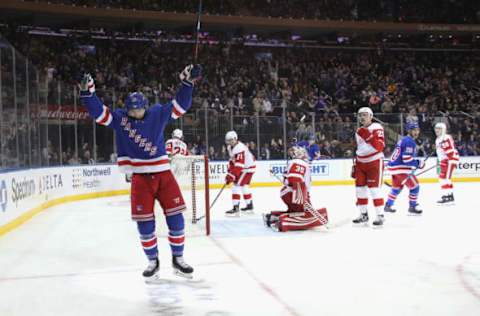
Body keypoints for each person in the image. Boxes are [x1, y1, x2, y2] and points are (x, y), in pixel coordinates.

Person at [79, 64, 202, 279]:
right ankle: (152, 261)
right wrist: (87, 93)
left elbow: (181, 105)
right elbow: (98, 114)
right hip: (140, 179)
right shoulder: (120, 119)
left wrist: (188, 83)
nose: (135, 113)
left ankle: (178, 259)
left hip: (164, 174)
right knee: (145, 224)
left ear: (146, 106)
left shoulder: (157, 113)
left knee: (176, 219)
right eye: (131, 110)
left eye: (139, 109)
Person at [263, 146, 328, 232]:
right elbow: (295, 178)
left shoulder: (296, 162)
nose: (305, 154)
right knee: (305, 214)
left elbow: (291, 180)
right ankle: (283, 222)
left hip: (291, 192)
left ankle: (273, 218)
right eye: (302, 152)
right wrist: (300, 196)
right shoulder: (299, 162)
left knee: (297, 213)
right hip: (295, 193)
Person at [351, 107, 386, 226]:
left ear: (371, 116)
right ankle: (363, 214)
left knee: (374, 190)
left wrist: (367, 135)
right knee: (360, 190)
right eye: (360, 115)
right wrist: (355, 164)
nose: (362, 117)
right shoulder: (358, 130)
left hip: (374, 161)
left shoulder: (377, 127)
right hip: (360, 162)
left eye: (365, 115)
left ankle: (380, 215)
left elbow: (380, 147)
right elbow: (360, 148)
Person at [384, 122, 425, 215]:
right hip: (400, 169)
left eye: (417, 130)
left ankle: (388, 205)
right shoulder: (409, 141)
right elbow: (406, 159)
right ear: (408, 131)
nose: (416, 132)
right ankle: (412, 206)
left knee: (396, 188)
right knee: (415, 187)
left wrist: (416, 163)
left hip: (394, 168)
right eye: (413, 130)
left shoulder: (404, 140)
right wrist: (418, 163)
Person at [224, 131, 256, 216]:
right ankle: (249, 206)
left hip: (247, 168)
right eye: (228, 140)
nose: (229, 142)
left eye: (231, 140)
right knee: (244, 186)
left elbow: (239, 165)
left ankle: (236, 208)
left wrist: (232, 176)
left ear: (235, 139)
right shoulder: (230, 147)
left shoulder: (239, 148)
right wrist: (230, 172)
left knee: (236, 186)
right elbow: (232, 161)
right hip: (247, 168)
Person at [435, 122, 459, 204]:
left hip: (449, 160)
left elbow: (450, 150)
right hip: (444, 160)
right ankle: (448, 195)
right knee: (443, 178)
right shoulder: (438, 139)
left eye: (439, 128)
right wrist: (441, 161)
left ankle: (449, 196)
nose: (436, 130)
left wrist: (450, 160)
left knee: (445, 178)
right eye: (436, 128)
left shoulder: (445, 137)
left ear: (443, 129)